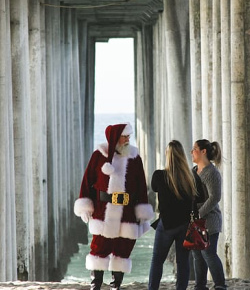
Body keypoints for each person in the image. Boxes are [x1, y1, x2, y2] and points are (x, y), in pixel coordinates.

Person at [74, 123, 155, 290]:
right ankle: (96, 283)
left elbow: (141, 186)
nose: (127, 140)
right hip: (103, 211)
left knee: (123, 248)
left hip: (127, 211)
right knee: (99, 247)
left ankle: (115, 284)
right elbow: (87, 181)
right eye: (124, 136)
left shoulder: (134, 157)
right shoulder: (99, 155)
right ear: (115, 138)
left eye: (128, 136)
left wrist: (142, 211)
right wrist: (85, 206)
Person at [148, 140, 206, 290]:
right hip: (185, 225)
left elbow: (153, 187)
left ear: (168, 155)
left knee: (157, 261)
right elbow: (200, 198)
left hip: (166, 224)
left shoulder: (160, 175)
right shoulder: (191, 177)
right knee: (183, 262)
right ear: (182, 156)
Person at [190, 139, 227, 290]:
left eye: (194, 149)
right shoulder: (193, 170)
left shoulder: (212, 172)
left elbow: (215, 197)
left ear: (203, 151)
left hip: (209, 220)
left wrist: (199, 213)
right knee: (197, 254)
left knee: (208, 253)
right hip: (194, 219)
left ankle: (220, 285)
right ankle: (200, 286)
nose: (191, 152)